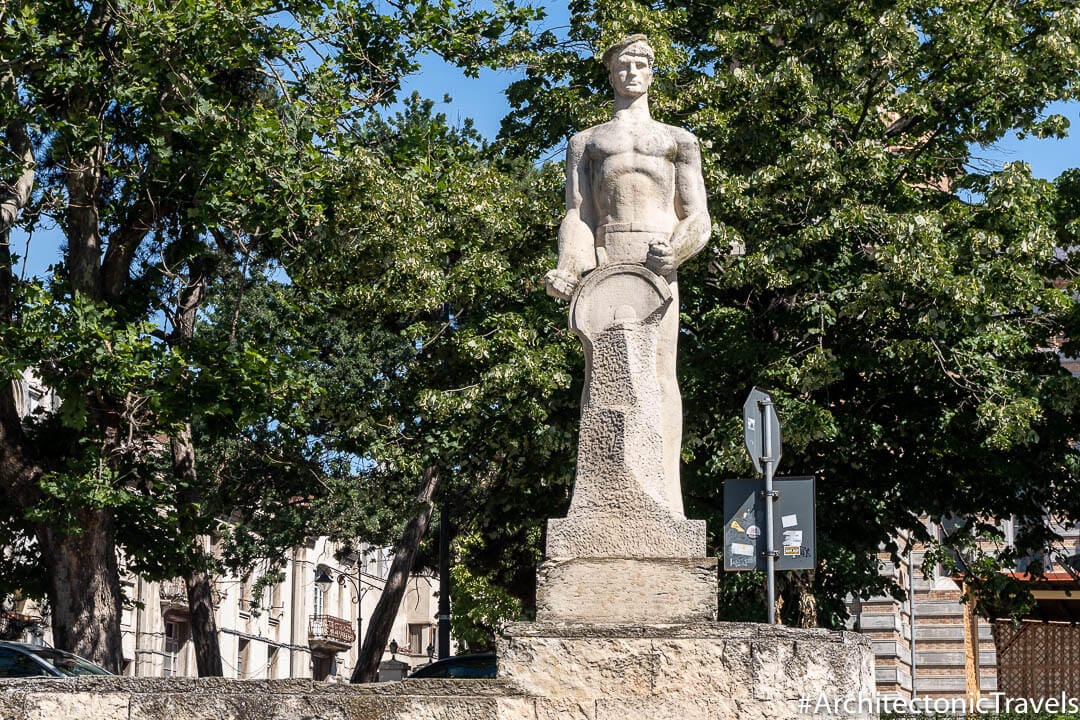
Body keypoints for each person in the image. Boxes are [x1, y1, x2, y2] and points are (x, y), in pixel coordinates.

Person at [544, 35, 711, 515]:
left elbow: (698, 216)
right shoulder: (587, 142)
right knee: (601, 376)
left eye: (641, 64)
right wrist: (567, 267)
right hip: (607, 256)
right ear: (611, 72)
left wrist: (676, 252)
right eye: (624, 64)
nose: (632, 72)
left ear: (652, 72)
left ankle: (666, 499)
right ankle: (601, 497)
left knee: (660, 374)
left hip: (657, 260)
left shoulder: (678, 141)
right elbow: (578, 215)